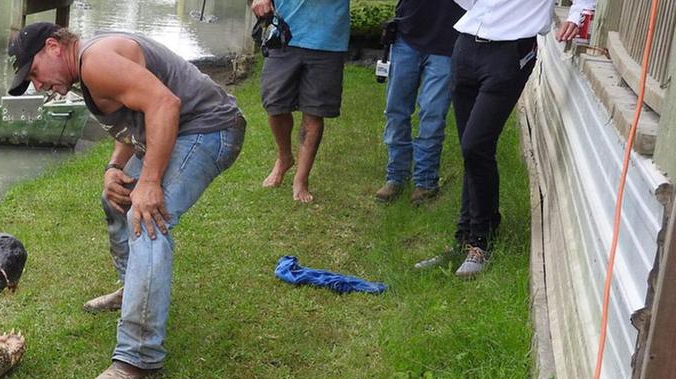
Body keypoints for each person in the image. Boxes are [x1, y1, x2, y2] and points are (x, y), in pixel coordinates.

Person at [7, 22, 246, 379]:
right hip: (183, 128)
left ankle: (140, 357)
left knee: (144, 215)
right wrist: (114, 168)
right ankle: (132, 288)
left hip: (210, 129)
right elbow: (137, 117)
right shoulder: (90, 66)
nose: (37, 86)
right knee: (116, 197)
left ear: (53, 46)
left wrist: (149, 183)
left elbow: (164, 104)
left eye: (34, 73)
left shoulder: (95, 63)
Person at [434, 0, 595, 278]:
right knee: (470, 152)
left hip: (511, 50)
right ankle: (464, 238)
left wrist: (579, 13)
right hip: (467, 44)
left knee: (476, 145)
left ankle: (482, 242)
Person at [250, 0, 351, 203]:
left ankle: (301, 179)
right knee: (275, 105)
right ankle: (284, 157)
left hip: (327, 39)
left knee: (314, 110)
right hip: (284, 34)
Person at [373, 0, 463, 205]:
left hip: (448, 42)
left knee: (433, 114)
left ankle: (425, 181)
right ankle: (396, 176)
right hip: (407, 35)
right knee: (396, 111)